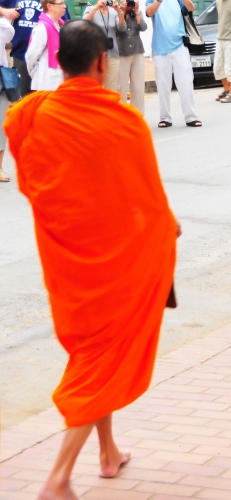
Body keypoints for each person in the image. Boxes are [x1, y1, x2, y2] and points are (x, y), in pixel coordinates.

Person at [5, 19, 177, 500]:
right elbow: (147, 201)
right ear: (103, 62)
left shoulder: (33, 114)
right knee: (97, 365)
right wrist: (166, 231)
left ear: (61, 61)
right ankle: (58, 478)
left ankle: (108, 452)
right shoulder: (122, 121)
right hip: (116, 268)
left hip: (68, 265)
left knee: (93, 356)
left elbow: (33, 180)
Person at [146, 0, 202, 127]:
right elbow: (149, 12)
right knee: (162, 84)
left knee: (186, 82)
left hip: (180, 45)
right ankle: (165, 117)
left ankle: (191, 116)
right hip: (160, 47)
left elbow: (191, 7)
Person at [0, 0, 69, 97]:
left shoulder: (54, 4)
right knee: (24, 96)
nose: (64, 6)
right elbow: (31, 56)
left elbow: (65, 21)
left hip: (46, 57)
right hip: (21, 51)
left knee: (42, 95)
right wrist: (4, 11)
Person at [84, 0, 126, 90]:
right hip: (95, 54)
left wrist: (119, 11)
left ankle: (108, 103)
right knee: (95, 86)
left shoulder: (113, 11)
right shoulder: (90, 9)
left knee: (111, 87)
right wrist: (96, 8)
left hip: (112, 53)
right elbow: (84, 24)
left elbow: (122, 28)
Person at [25, 0, 65, 91]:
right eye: (61, 3)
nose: (64, 6)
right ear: (50, 6)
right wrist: (34, 73)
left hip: (58, 79)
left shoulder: (60, 25)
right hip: (47, 81)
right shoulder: (43, 27)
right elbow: (31, 55)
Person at [116, 0, 147, 114]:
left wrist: (137, 11)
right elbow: (120, 28)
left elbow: (143, 27)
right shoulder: (116, 12)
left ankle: (138, 117)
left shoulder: (137, 13)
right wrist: (122, 12)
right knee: (121, 88)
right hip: (121, 53)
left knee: (138, 87)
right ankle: (122, 118)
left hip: (137, 52)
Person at [0, 15, 14, 183]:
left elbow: (9, 31)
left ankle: (0, 167)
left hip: (0, 79)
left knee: (0, 124)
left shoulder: (2, 26)